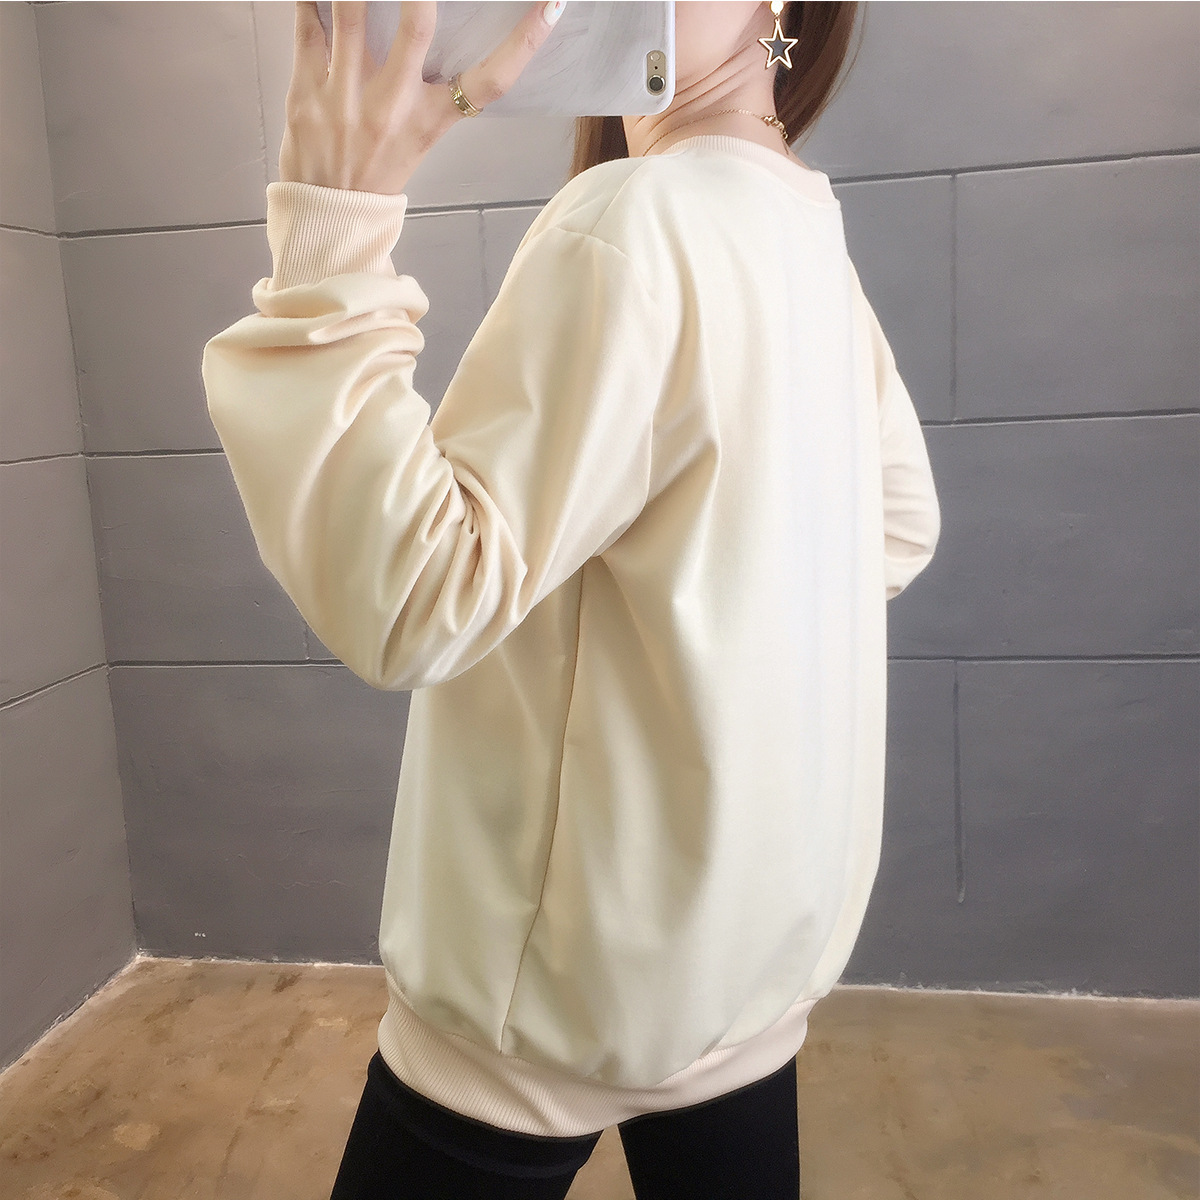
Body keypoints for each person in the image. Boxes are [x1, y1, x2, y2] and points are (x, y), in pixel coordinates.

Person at [201, 1, 941, 1196]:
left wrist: (333, 231)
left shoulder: (632, 224)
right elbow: (897, 528)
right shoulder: (806, 224)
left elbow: (413, 596)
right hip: (748, 971)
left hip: (548, 994)